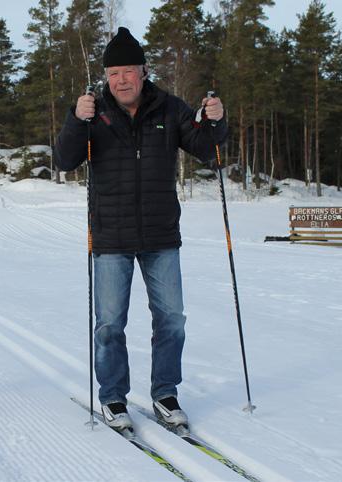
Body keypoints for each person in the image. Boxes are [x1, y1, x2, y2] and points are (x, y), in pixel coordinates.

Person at [54, 27, 228, 431]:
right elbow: (64, 160)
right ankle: (113, 397)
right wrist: (75, 120)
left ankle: (165, 393)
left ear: (144, 71)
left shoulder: (170, 108)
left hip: (161, 235)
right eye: (114, 72)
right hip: (111, 236)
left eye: (128, 71)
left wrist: (216, 123)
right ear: (107, 76)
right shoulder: (92, 111)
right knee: (110, 323)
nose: (121, 80)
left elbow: (208, 151)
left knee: (172, 319)